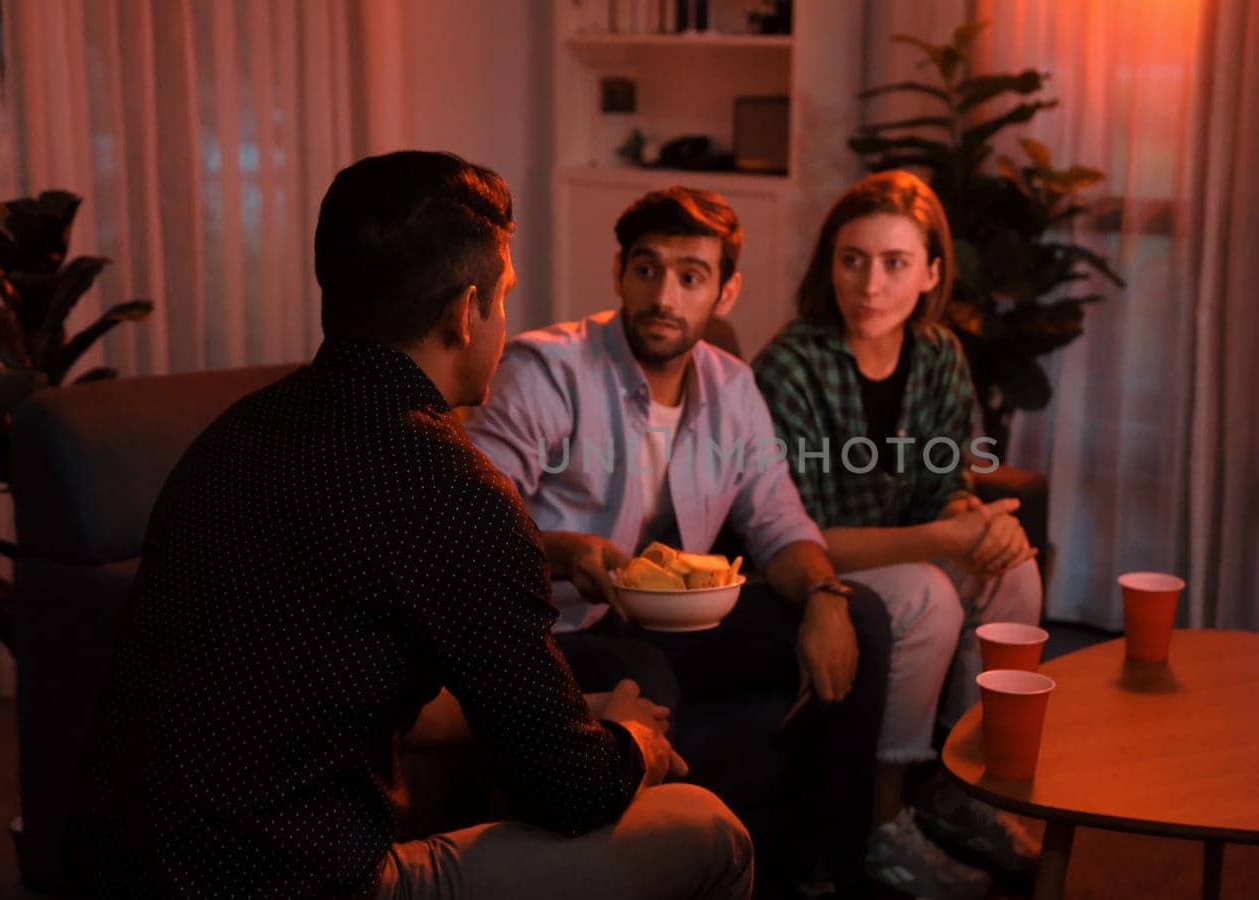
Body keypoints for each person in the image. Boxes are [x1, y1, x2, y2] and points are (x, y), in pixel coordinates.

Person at [67, 151, 752, 900]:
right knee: (707, 831)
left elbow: (332, 689)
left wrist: (574, 717)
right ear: (467, 313)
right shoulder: (453, 488)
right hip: (297, 883)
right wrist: (630, 741)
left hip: (114, 869)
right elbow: (575, 793)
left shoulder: (232, 436)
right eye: (503, 297)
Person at [463, 186, 896, 892]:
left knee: (864, 617)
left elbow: (778, 520)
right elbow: (475, 517)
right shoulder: (549, 369)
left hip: (668, 616)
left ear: (726, 292)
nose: (664, 294)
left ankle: (825, 873)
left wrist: (823, 592)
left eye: (691, 276)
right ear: (618, 273)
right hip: (556, 628)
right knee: (646, 681)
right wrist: (569, 551)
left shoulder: (732, 388)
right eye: (647, 268)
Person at [753, 169, 1046, 898]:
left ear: (931, 273)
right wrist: (945, 542)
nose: (870, 284)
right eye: (852, 260)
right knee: (928, 594)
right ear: (829, 265)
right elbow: (801, 531)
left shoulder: (940, 353)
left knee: (1014, 572)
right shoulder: (790, 365)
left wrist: (970, 525)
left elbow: (945, 479)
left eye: (894, 263)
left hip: (909, 548)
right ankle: (882, 825)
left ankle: (964, 791)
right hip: (810, 568)